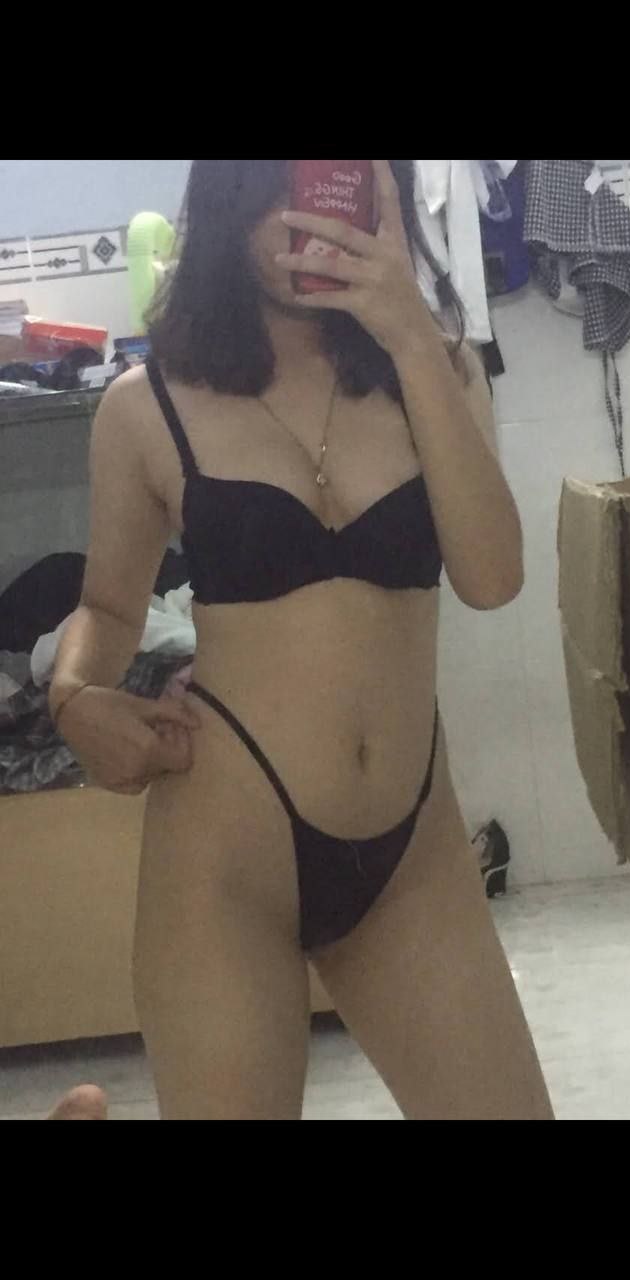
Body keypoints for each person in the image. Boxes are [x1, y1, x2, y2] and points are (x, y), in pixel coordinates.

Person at [49, 159, 552, 1121]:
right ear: (226, 204)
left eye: (324, 183)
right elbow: (109, 610)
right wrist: (74, 699)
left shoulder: (436, 371)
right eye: (266, 189)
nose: (298, 219)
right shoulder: (146, 405)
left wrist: (409, 333)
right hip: (225, 863)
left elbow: (493, 579)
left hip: (413, 860)